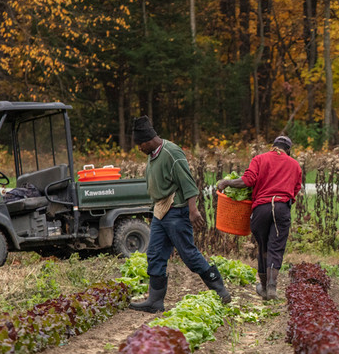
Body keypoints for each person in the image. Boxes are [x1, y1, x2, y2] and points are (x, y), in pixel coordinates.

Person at [129, 116, 230, 312]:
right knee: (155, 254)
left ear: (149, 139)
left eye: (140, 144)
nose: (139, 148)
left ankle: (220, 291)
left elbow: (188, 183)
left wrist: (193, 210)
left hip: (177, 212)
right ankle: (155, 301)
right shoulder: (152, 155)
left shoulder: (171, 152)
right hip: (161, 211)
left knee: (189, 255)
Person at [216, 134, 303, 300]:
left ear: (273, 146)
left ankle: (263, 287)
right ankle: (271, 288)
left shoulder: (259, 159)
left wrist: (227, 182)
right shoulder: (295, 165)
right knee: (276, 247)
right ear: (288, 150)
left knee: (263, 247)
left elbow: (247, 181)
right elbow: (296, 189)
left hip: (261, 209)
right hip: (281, 207)